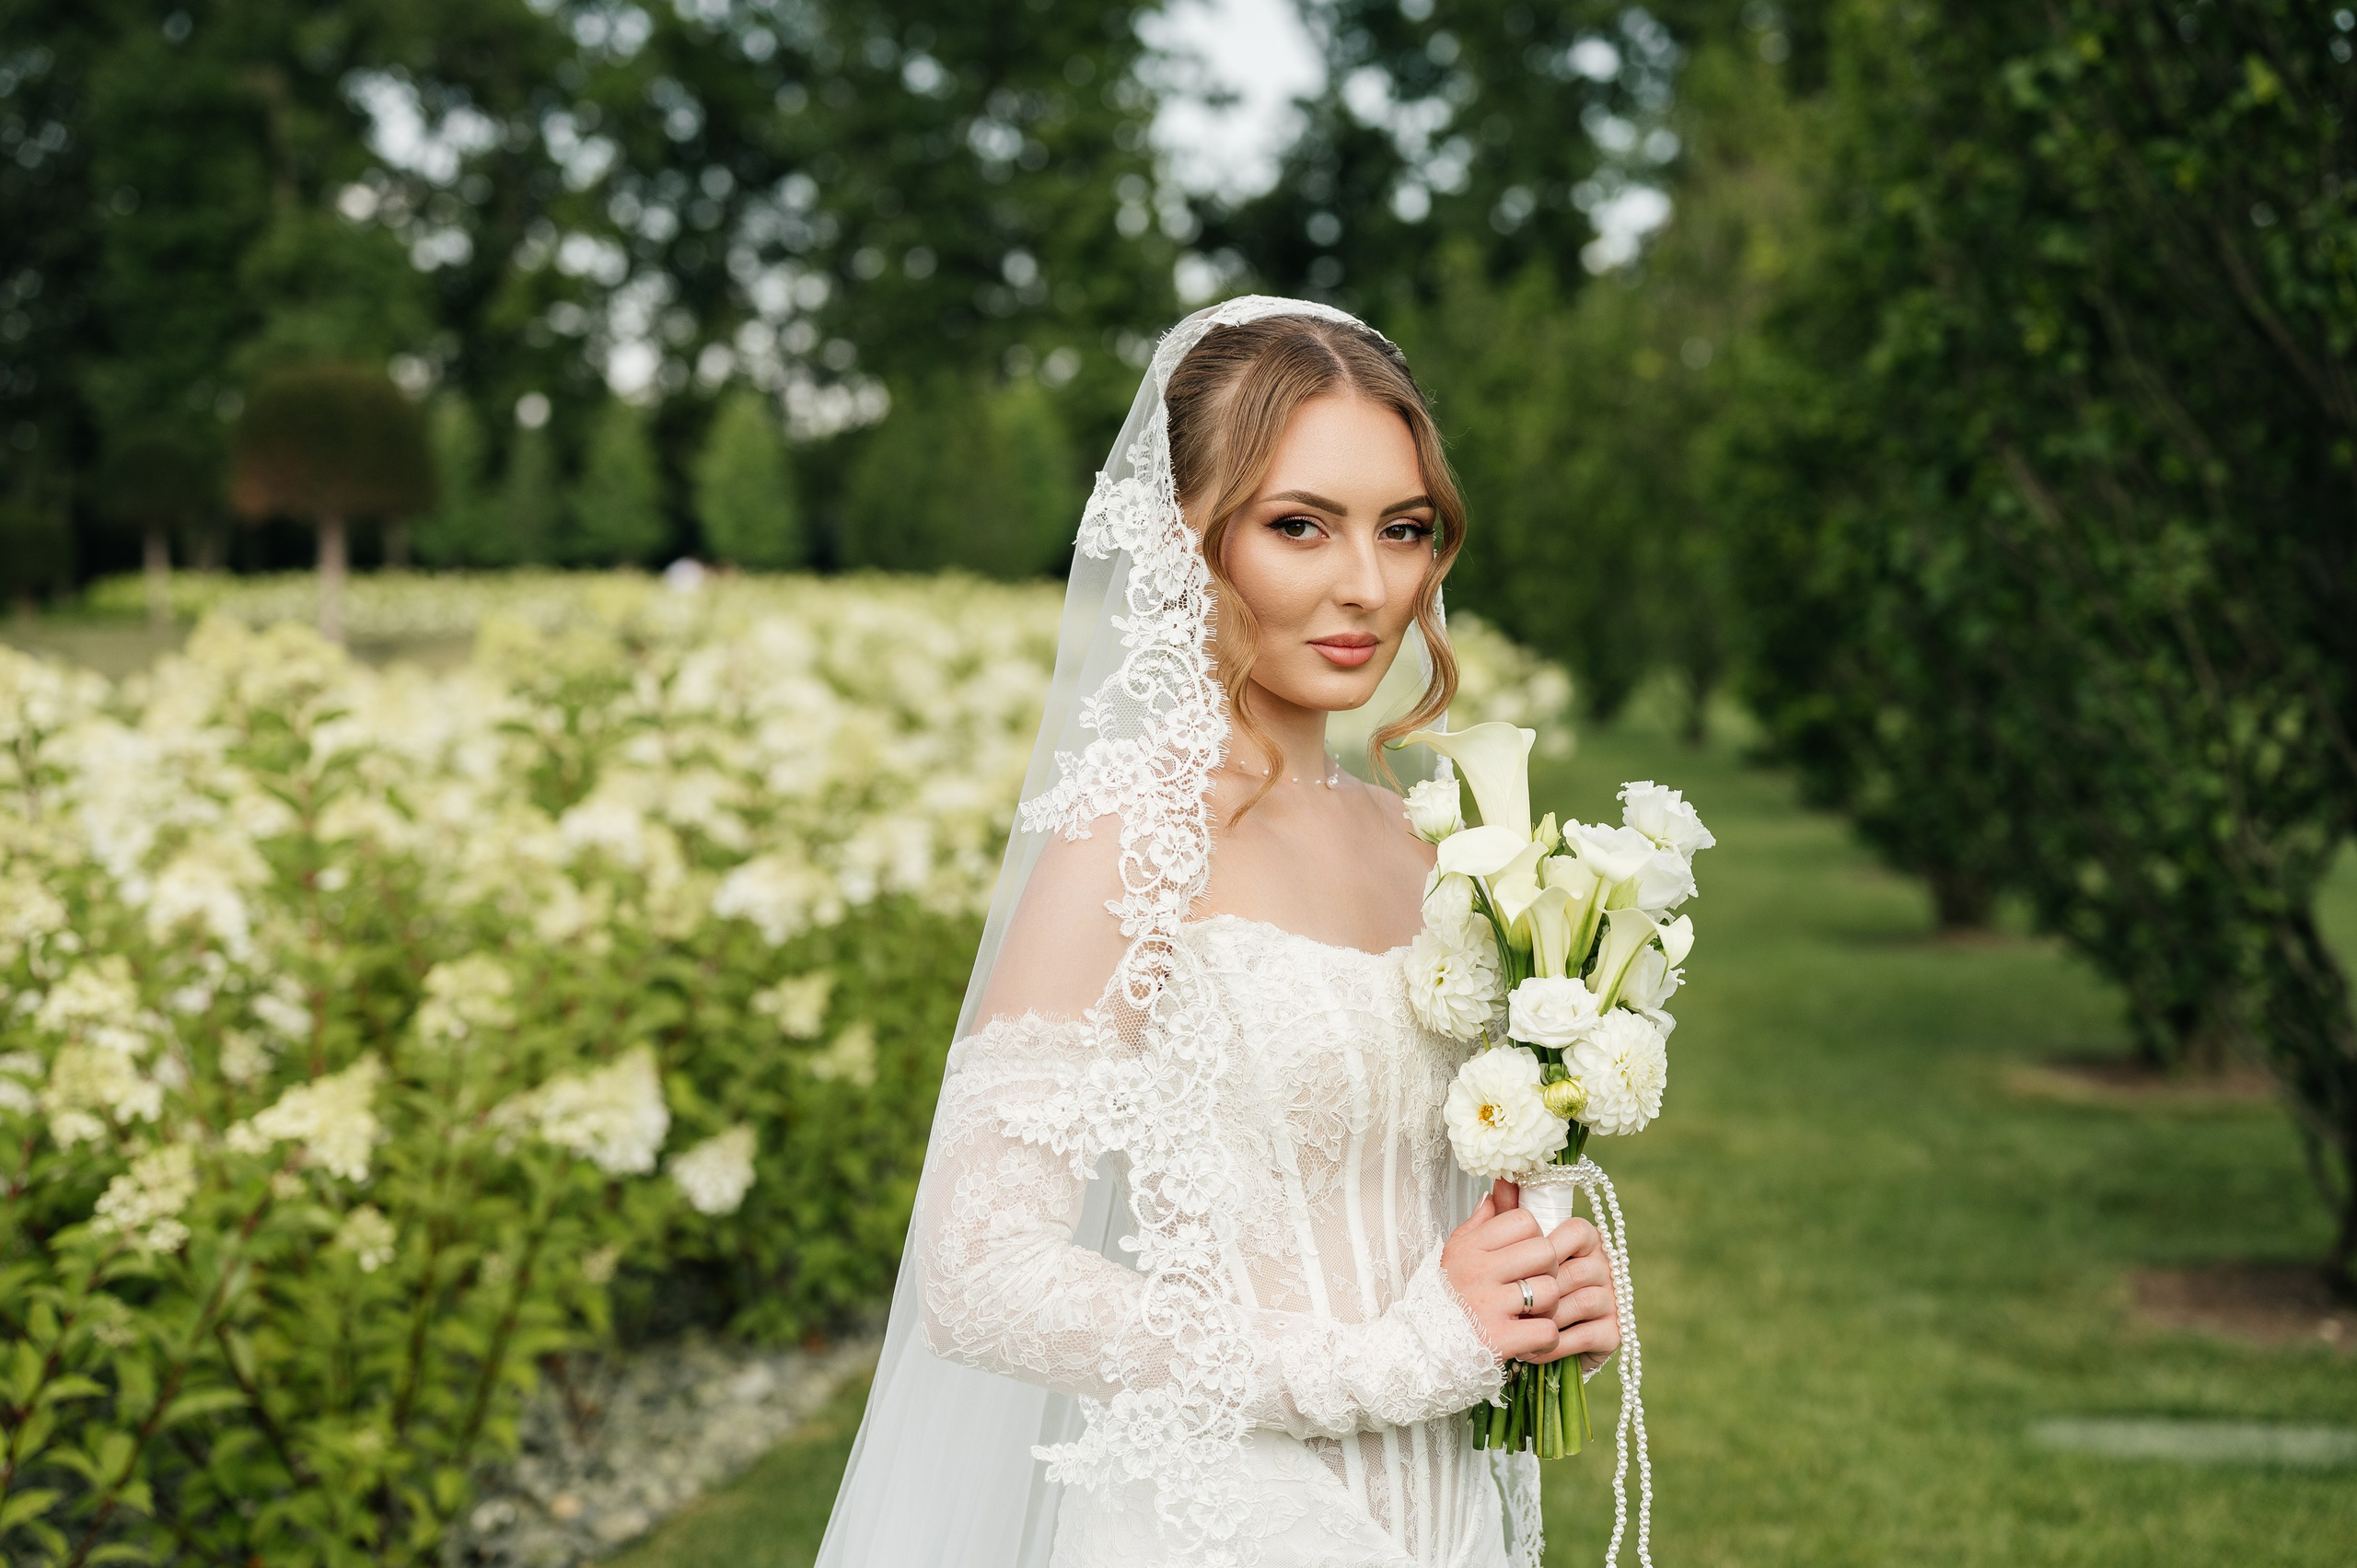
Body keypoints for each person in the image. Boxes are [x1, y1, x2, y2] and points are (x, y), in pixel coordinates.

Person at [815, 297, 1620, 1568]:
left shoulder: (1427, 848)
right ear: (1189, 538)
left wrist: (1539, 1283)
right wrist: (1376, 1365)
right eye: (1300, 526)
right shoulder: (1131, 839)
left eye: (1403, 530)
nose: (1368, 584)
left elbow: (1429, 1201)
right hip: (1230, 1521)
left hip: (1449, 1514)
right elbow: (980, 1274)